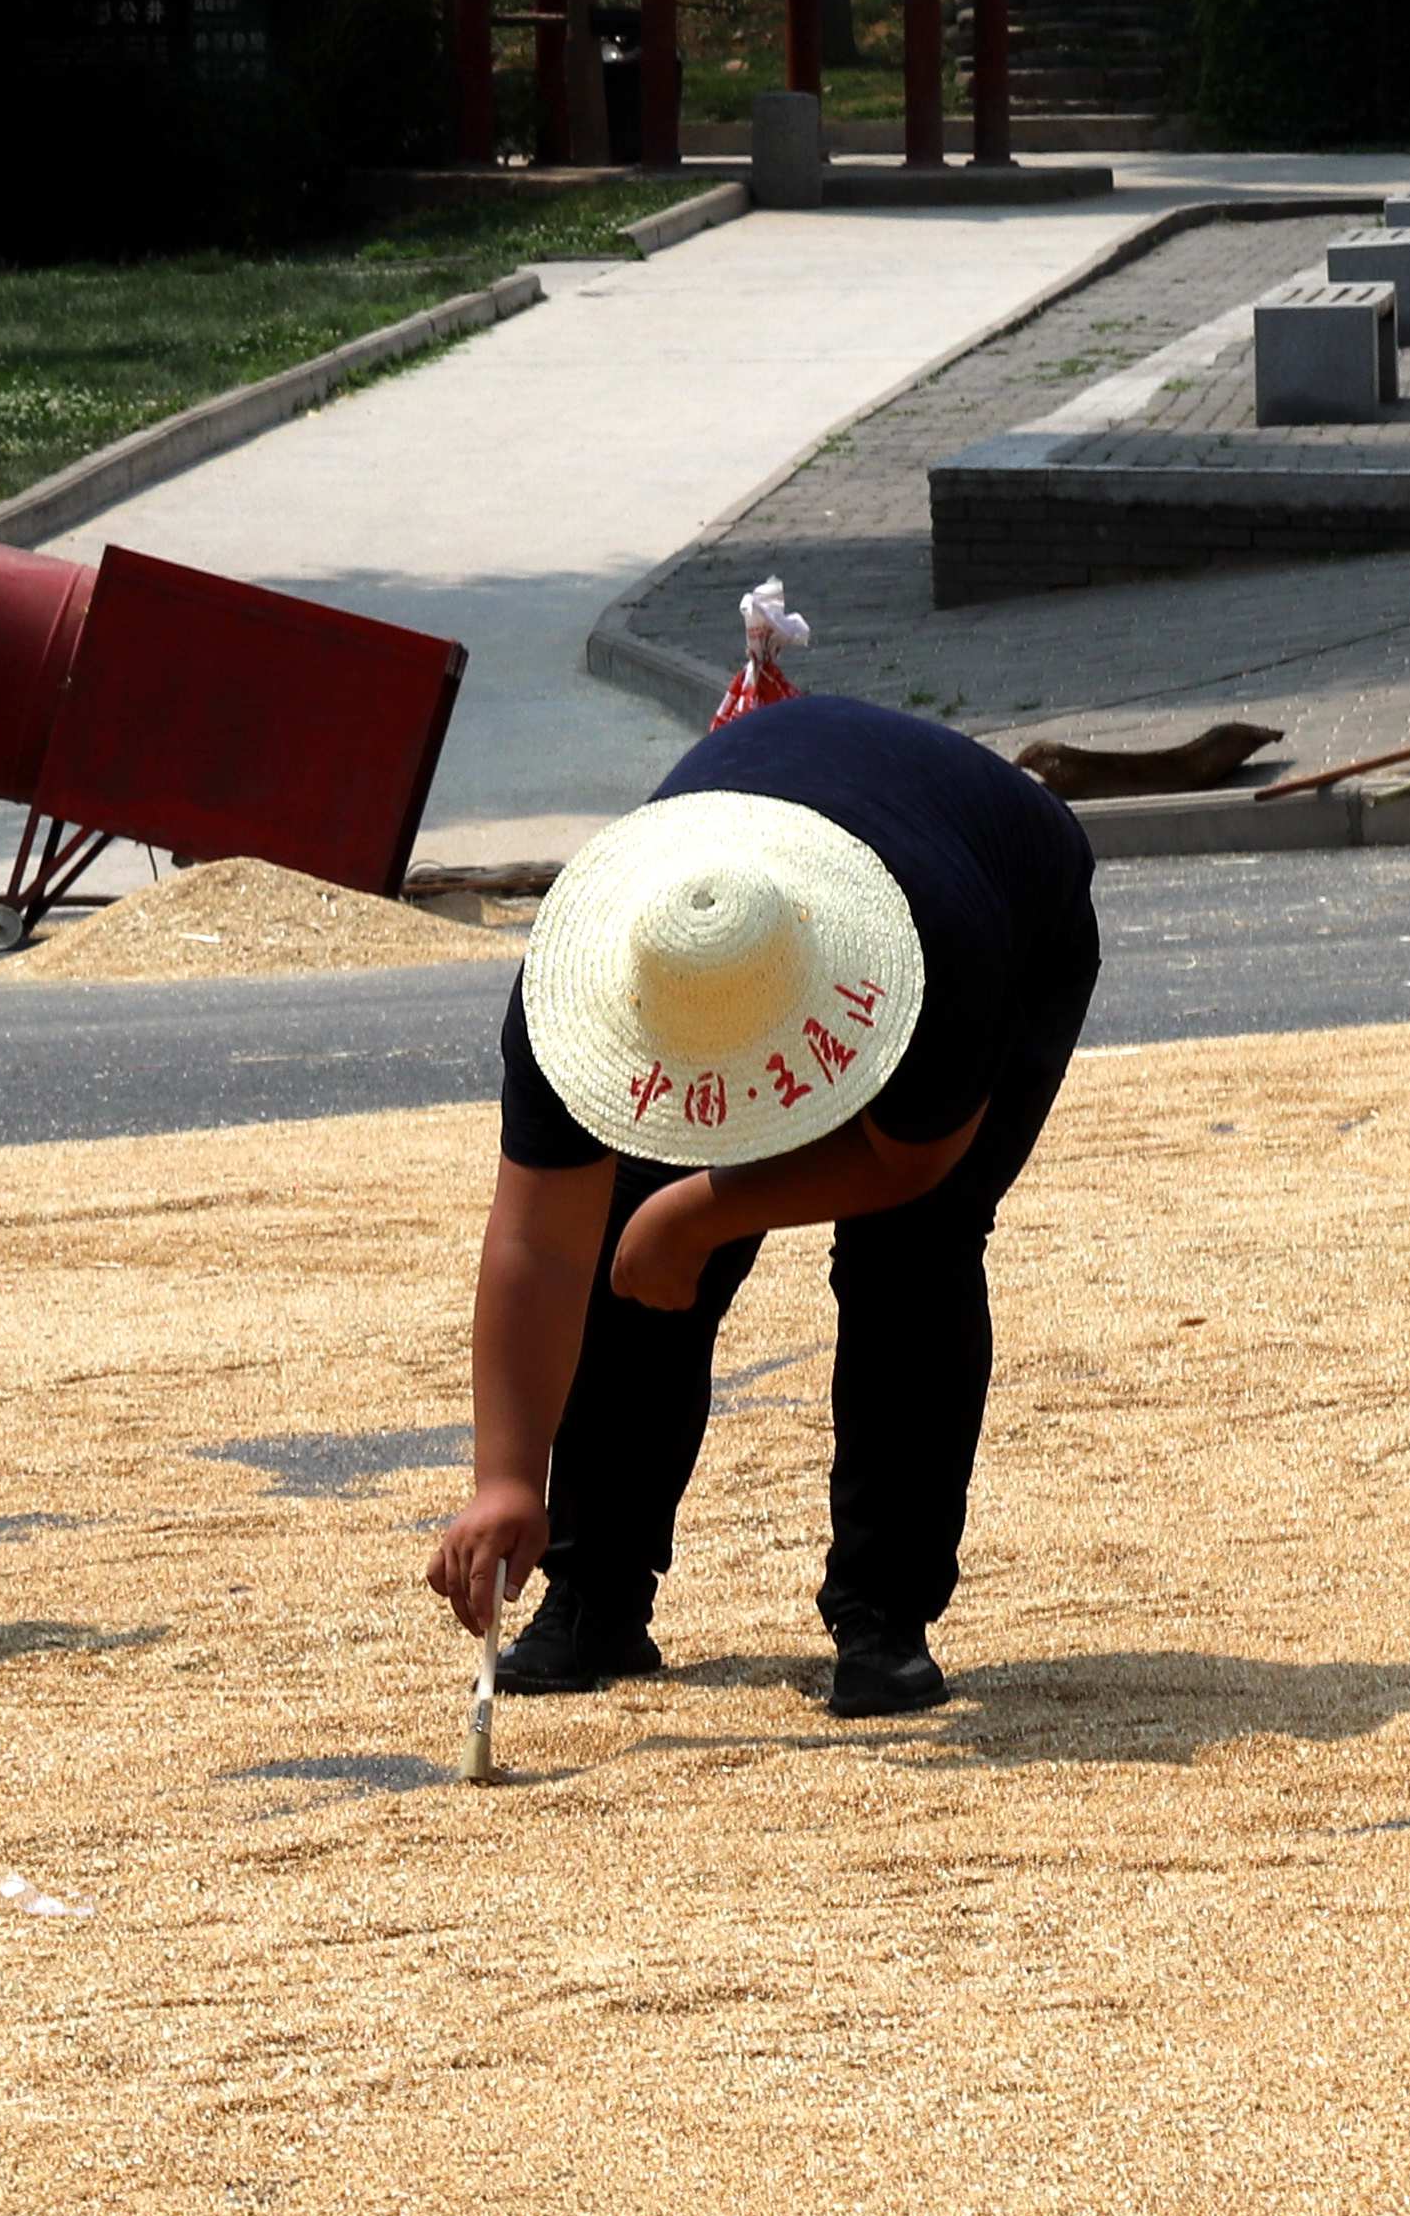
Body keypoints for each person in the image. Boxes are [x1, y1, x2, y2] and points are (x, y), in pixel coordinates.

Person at [423, 689, 1095, 1711]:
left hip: (1004, 905)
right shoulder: (581, 979)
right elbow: (539, 1243)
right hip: (800, 856)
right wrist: (507, 1477)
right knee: (624, 1242)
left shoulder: (942, 946)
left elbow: (910, 1160)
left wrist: (700, 1212)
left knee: (912, 1250)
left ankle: (884, 1613)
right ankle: (594, 1586)